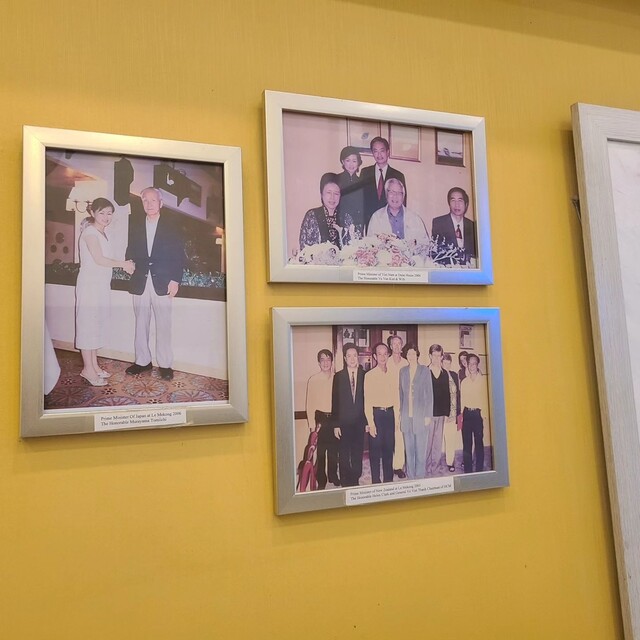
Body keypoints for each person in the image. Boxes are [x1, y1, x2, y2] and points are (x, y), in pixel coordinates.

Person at [125, 187, 185, 381]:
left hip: (163, 282)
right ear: (142, 203)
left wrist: (175, 279)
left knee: (164, 324)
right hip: (141, 281)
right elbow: (130, 250)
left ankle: (165, 364)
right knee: (140, 323)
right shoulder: (135, 225)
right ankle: (142, 361)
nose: (149, 204)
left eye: (153, 200)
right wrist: (129, 262)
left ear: (161, 203)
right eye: (145, 200)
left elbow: (179, 255)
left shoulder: (171, 225)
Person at [75, 198, 135, 386]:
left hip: (100, 286)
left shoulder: (103, 233)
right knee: (87, 326)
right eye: (102, 212)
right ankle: (87, 370)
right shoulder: (90, 233)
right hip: (89, 286)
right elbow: (99, 259)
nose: (106, 217)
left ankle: (93, 366)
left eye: (109, 213)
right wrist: (123, 264)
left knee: (95, 325)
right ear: (92, 213)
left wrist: (124, 263)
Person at [332, 343, 367, 487]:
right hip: (343, 423)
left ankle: (355, 478)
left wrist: (367, 422)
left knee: (357, 452)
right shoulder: (338, 376)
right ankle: (345, 480)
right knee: (344, 452)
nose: (352, 359)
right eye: (349, 356)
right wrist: (336, 425)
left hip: (359, 422)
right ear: (345, 358)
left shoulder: (365, 375)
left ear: (358, 357)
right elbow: (335, 401)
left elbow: (367, 400)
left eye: (354, 355)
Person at [364, 343, 399, 484]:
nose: (383, 357)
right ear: (375, 356)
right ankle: (376, 481)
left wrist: (397, 419)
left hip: (390, 415)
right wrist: (371, 423)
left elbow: (396, 398)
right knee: (375, 451)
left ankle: (388, 480)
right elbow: (367, 402)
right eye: (380, 354)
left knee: (389, 449)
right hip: (376, 415)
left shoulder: (393, 374)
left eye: (385, 354)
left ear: (388, 355)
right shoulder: (369, 376)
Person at [305, 349, 339, 489]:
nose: (325, 362)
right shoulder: (313, 380)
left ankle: (333, 475)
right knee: (320, 452)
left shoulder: (337, 378)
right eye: (322, 360)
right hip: (320, 419)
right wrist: (312, 426)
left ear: (332, 361)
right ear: (319, 363)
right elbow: (309, 404)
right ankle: (321, 479)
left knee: (333, 450)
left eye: (328, 359)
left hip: (334, 418)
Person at [398, 344, 433, 480]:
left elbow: (429, 394)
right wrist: (401, 414)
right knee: (409, 449)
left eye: (413, 353)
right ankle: (411, 476)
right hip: (407, 417)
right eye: (408, 353)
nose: (411, 356)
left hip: (421, 416)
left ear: (417, 355)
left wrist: (428, 415)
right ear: (406, 355)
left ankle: (419, 476)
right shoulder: (402, 371)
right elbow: (401, 394)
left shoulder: (424, 370)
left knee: (420, 450)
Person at [299, 173, 355, 250]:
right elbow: (305, 248)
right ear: (321, 194)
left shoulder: (346, 218)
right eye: (329, 192)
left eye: (336, 193)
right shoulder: (312, 216)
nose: (332, 197)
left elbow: (352, 247)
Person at [360, 137, 407, 231]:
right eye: (375, 151)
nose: (379, 155)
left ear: (387, 152)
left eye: (382, 151)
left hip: (390, 221)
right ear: (372, 153)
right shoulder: (365, 173)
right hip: (370, 221)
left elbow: (402, 201)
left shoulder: (398, 175)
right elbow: (361, 199)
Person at [366, 179, 428, 244]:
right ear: (386, 194)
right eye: (392, 192)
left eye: (399, 193)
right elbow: (370, 245)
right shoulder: (376, 218)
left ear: (403, 196)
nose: (395, 196)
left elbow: (425, 245)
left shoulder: (415, 219)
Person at [431, 187, 476, 264]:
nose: (456, 205)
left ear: (466, 204)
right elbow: (436, 253)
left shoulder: (472, 226)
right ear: (449, 204)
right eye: (453, 201)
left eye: (460, 201)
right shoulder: (439, 223)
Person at [461, 353, 489, 473]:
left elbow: (485, 398)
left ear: (477, 365)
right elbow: (462, 400)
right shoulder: (464, 382)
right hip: (467, 414)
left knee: (479, 443)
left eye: (474, 363)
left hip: (478, 414)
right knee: (467, 444)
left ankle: (479, 469)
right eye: (470, 364)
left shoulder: (483, 381)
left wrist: (484, 415)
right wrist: (461, 417)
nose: (472, 366)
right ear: (467, 365)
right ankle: (468, 471)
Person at [426, 344, 451, 476]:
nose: (436, 358)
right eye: (434, 355)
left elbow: (447, 394)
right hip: (428, 414)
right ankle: (425, 468)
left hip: (441, 414)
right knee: (427, 444)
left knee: (437, 443)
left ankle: (434, 469)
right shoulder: (424, 372)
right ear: (430, 356)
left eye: (438, 355)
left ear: (441, 357)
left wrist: (446, 413)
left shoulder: (445, 373)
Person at [386, 335, 408, 478]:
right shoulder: (386, 362)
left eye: (399, 343)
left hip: (402, 404)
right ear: (390, 346)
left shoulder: (406, 362)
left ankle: (398, 466)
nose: (396, 346)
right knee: (389, 436)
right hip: (387, 404)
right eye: (394, 344)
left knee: (399, 436)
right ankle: (388, 464)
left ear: (402, 346)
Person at [336, 146, 365, 236]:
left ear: (358, 163)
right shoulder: (336, 179)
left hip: (357, 223)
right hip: (340, 222)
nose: (351, 164)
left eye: (354, 161)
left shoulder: (362, 182)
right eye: (348, 160)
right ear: (342, 162)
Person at [442, 353, 461, 473]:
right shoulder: (438, 374)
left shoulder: (454, 375)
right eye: (444, 363)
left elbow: (458, 395)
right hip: (441, 414)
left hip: (453, 413)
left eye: (449, 363)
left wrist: (458, 413)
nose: (447, 365)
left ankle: (450, 462)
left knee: (451, 439)